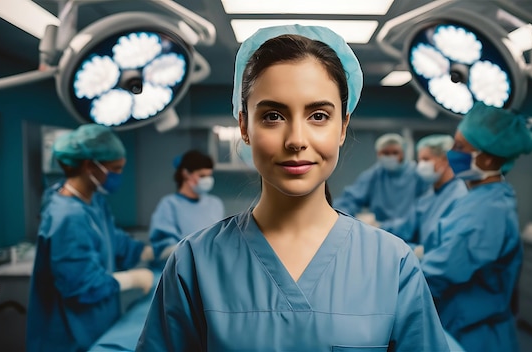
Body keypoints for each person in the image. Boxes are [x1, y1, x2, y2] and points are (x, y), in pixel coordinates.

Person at [136, 25, 448, 351]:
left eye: (318, 115)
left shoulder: (392, 263)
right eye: (273, 116)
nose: (296, 140)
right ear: (244, 126)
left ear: (342, 127)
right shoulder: (194, 263)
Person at [419, 102, 532, 352]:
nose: (452, 154)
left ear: (488, 157)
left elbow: (441, 271)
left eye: (460, 147)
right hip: (461, 324)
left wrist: (391, 278)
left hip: (477, 336)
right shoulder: (479, 197)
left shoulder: (488, 210)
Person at [27, 124, 155, 352]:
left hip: (97, 326)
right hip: (68, 338)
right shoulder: (67, 217)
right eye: (115, 169)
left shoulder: (93, 201)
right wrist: (131, 279)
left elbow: (112, 240)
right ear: (89, 166)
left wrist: (148, 251)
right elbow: (81, 286)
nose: (119, 176)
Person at [382, 134, 467, 245]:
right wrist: (378, 227)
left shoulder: (459, 196)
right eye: (420, 160)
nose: (421, 165)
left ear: (445, 160)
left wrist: (422, 252)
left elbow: (450, 243)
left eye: (426, 159)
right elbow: (406, 227)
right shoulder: (429, 195)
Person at [333, 132, 428, 227]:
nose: (391, 157)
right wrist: (341, 218)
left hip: (409, 235)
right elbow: (349, 200)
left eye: (395, 153)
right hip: (381, 233)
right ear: (378, 154)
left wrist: (384, 226)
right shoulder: (374, 175)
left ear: (403, 154)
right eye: (386, 153)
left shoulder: (417, 175)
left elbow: (423, 209)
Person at [149, 149, 225, 261]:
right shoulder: (169, 205)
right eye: (202, 176)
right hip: (182, 269)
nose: (207, 180)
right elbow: (164, 250)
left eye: (209, 176)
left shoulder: (215, 204)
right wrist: (196, 251)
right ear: (186, 174)